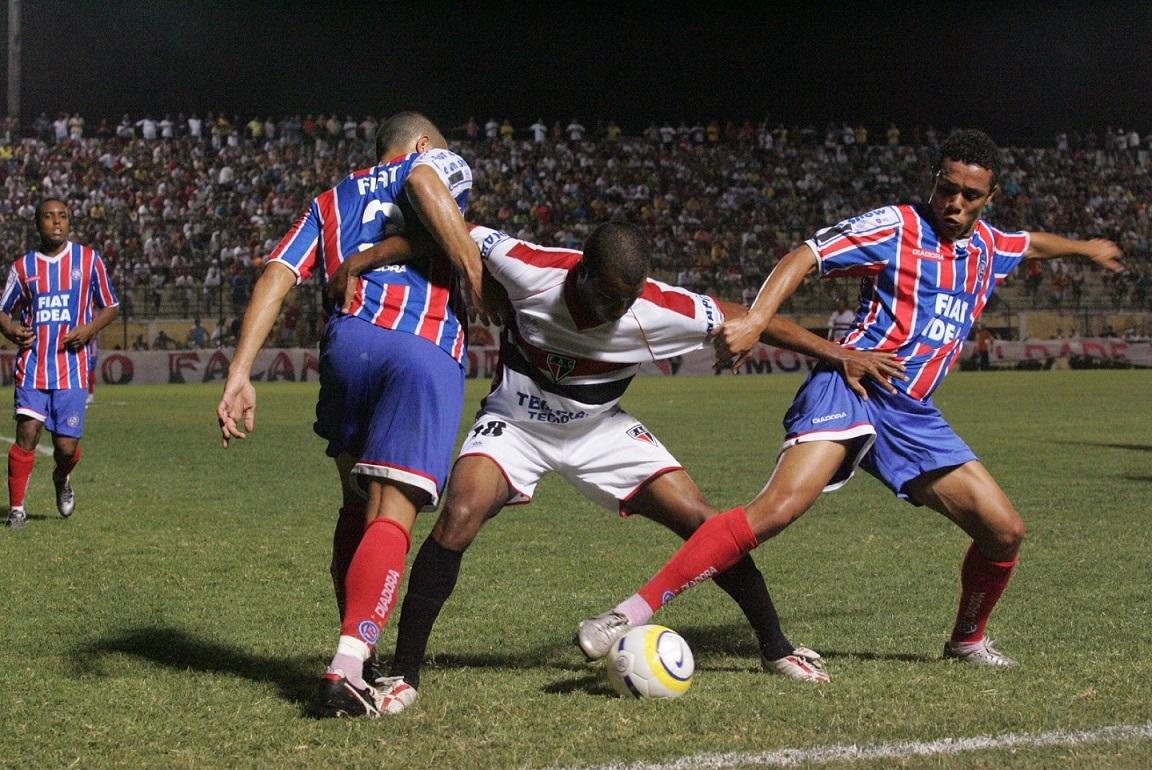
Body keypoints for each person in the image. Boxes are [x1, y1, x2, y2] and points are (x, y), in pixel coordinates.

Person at [576, 130, 1125, 671]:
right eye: (946, 188)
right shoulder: (897, 226)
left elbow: (1033, 243)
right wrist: (758, 321)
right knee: (778, 510)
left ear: (990, 198)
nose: (953, 203)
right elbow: (805, 256)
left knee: (1005, 531)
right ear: (934, 181)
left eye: (969, 195)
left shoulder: (990, 248)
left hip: (912, 414)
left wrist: (1085, 249)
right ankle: (627, 614)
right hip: (853, 383)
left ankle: (966, 642)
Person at [331, 223, 904, 712]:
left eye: (628, 299)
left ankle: (777, 647)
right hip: (518, 420)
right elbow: (443, 229)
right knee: (457, 515)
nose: (619, 310)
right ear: (581, 272)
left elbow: (748, 318)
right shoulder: (529, 266)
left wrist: (838, 352)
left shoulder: (658, 305)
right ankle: (404, 673)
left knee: (706, 523)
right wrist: (364, 258)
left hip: (600, 428)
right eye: (609, 297)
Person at [216, 111, 483, 719]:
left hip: (348, 346)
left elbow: (277, 275)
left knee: (352, 503)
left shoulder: (329, 201)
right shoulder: (435, 165)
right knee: (392, 510)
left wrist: (239, 372)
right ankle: (345, 668)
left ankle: (356, 650)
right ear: (420, 144)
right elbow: (435, 206)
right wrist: (470, 267)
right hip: (421, 344)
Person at [0, 199, 120, 529]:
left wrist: (90, 328)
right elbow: (3, 311)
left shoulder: (88, 260)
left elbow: (111, 305)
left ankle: (62, 478)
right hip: (33, 366)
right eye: (49, 217)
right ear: (37, 224)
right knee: (27, 432)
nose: (56, 222)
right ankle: (17, 509)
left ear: (69, 222)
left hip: (72, 368)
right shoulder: (23, 268)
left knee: (66, 448)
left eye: (62, 216)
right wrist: (10, 329)